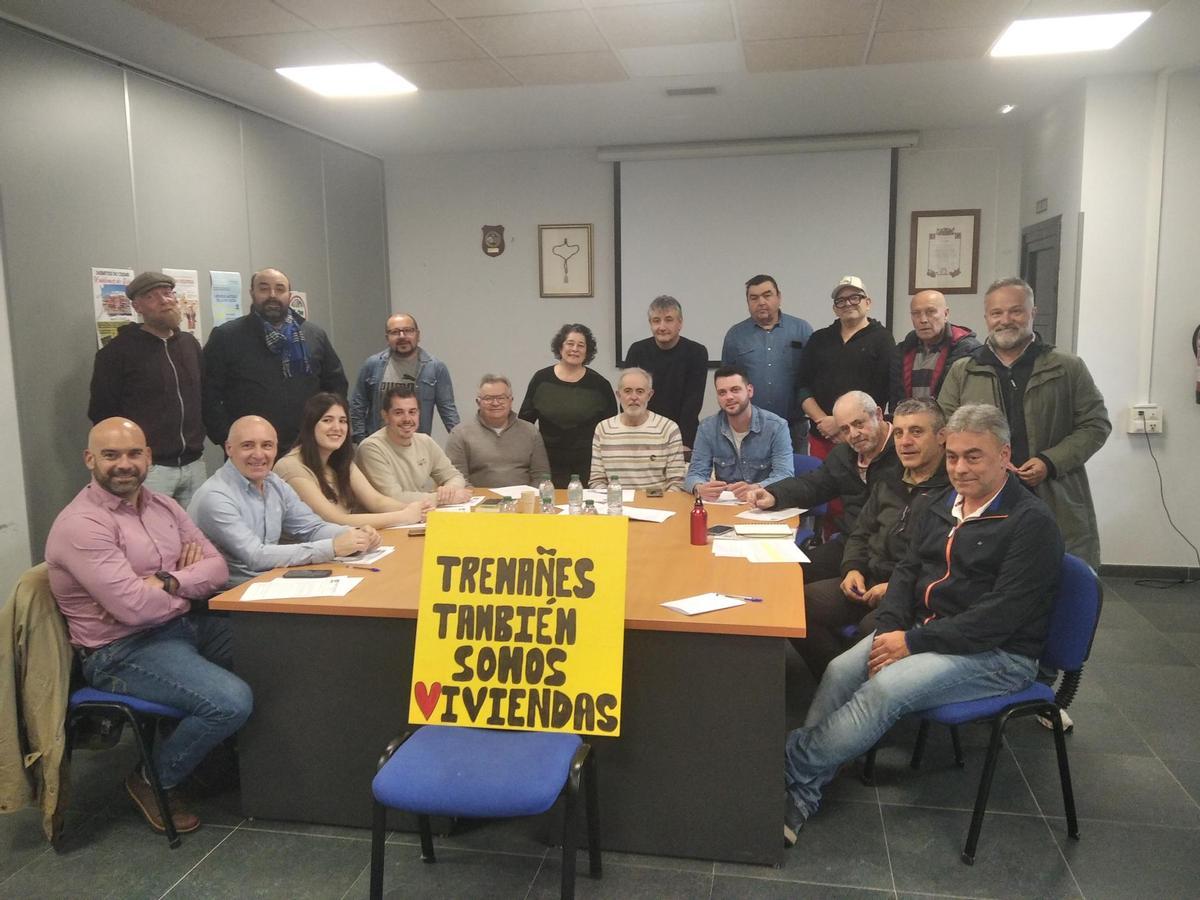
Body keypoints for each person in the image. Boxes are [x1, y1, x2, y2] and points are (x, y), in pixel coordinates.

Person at [783, 403, 1064, 846]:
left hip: (997, 654)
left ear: (1005, 455)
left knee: (885, 688)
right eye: (953, 456)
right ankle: (804, 789)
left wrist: (910, 641)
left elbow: (999, 618)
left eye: (975, 456)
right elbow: (907, 574)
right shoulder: (940, 504)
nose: (959, 468)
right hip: (930, 631)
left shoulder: (1032, 524)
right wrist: (892, 629)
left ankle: (789, 769)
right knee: (841, 670)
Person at [45, 418, 251, 834]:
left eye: (134, 453)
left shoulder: (163, 506)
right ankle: (154, 778)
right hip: (122, 651)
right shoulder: (81, 525)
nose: (124, 463)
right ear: (89, 460)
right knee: (231, 700)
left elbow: (216, 568)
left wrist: (169, 580)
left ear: (148, 458)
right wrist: (179, 586)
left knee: (273, 649)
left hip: (179, 626)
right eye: (111, 455)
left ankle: (232, 762)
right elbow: (134, 610)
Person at [938, 277, 1111, 568]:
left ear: (1033, 313)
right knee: (988, 577)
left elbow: (1096, 424)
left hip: (1055, 495)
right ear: (986, 318)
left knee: (1058, 580)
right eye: (997, 313)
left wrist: (1049, 461)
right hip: (986, 497)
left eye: (1015, 311)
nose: (1005, 320)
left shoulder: (1067, 367)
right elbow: (945, 429)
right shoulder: (962, 371)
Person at [795, 398, 949, 679]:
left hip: (910, 594)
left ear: (942, 436)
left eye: (916, 432)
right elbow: (860, 531)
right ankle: (833, 680)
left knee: (870, 631)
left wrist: (895, 587)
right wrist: (852, 568)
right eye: (900, 433)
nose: (905, 441)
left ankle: (856, 690)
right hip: (869, 578)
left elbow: (944, 564)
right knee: (797, 604)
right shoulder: (890, 479)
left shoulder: (953, 492)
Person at [189, 415, 378, 586]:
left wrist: (355, 535)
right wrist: (333, 547)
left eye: (267, 445)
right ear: (229, 449)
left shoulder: (274, 483)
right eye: (247, 445)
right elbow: (256, 556)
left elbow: (311, 528)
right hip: (228, 599)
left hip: (269, 584)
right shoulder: (215, 497)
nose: (258, 454)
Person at [744, 391, 900, 583]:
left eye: (859, 424)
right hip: (851, 544)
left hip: (891, 554)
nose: (854, 434)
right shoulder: (843, 454)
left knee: (811, 597)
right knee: (788, 576)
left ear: (878, 414)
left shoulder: (905, 451)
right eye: (844, 429)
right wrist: (774, 494)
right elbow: (814, 485)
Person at [88, 271, 206, 506]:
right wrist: (129, 459)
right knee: (150, 538)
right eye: (152, 296)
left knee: (194, 538)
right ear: (137, 306)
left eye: (167, 293)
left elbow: (205, 396)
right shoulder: (116, 353)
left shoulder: (189, 345)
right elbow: (103, 414)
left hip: (194, 465)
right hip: (150, 470)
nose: (164, 301)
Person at [201, 267, 347, 454]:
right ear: (251, 293)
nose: (272, 295)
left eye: (279, 289)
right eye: (263, 289)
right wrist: (226, 438)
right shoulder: (227, 336)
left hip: (306, 447)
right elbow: (208, 395)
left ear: (289, 295)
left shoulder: (314, 336)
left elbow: (336, 387)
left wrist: (327, 431)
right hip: (251, 452)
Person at [274, 392, 430, 528]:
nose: (337, 427)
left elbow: (376, 501)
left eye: (342, 421)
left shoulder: (340, 461)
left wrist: (418, 509)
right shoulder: (291, 467)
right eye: (327, 420)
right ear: (310, 425)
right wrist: (404, 516)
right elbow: (335, 520)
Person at [797, 276, 895, 458]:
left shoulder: (883, 340)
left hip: (864, 438)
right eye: (840, 301)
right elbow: (802, 387)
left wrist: (843, 425)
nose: (848, 303)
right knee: (822, 485)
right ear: (835, 309)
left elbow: (885, 391)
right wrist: (824, 422)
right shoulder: (819, 339)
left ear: (868, 303)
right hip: (822, 436)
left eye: (855, 297)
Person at [519, 324, 616, 488]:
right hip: (548, 463)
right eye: (570, 343)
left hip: (588, 464)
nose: (575, 349)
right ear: (560, 347)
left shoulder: (600, 384)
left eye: (581, 345)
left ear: (587, 351)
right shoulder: (541, 379)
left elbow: (612, 427)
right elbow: (525, 422)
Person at [721, 275, 812, 450]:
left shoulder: (801, 330)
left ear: (779, 297)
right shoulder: (735, 336)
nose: (761, 302)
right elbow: (726, 383)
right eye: (753, 298)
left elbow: (813, 375)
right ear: (747, 302)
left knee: (795, 476)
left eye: (767, 295)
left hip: (793, 425)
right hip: (750, 429)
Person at [684, 365, 793, 501]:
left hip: (764, 504)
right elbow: (694, 474)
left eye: (735, 390)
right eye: (722, 393)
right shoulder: (707, 428)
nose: (729, 397)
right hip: (726, 506)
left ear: (750, 391)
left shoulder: (776, 426)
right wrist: (699, 488)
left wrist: (756, 488)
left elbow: (785, 474)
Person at [349, 313, 458, 443]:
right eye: (395, 332)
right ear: (387, 338)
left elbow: (448, 412)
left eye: (408, 331)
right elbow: (357, 406)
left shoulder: (435, 368)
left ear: (418, 335)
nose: (402, 336)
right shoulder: (372, 365)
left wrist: (460, 443)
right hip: (379, 445)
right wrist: (361, 440)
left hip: (415, 446)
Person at [356, 385, 471, 505]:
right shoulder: (371, 448)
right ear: (385, 416)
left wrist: (449, 490)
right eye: (399, 412)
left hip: (417, 515)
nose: (407, 419)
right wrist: (441, 498)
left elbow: (454, 476)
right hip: (382, 521)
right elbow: (393, 497)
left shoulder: (425, 441)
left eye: (412, 412)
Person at [623, 295, 709, 448]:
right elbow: (628, 396)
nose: (662, 327)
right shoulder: (637, 351)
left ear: (680, 323)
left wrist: (683, 441)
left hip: (683, 435)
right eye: (656, 321)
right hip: (641, 434)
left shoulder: (697, 352)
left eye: (669, 320)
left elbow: (692, 403)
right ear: (650, 323)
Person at [444, 375, 551, 489]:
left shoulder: (530, 431)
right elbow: (457, 479)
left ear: (511, 401)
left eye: (501, 398)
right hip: (480, 503)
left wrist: (529, 500)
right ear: (478, 402)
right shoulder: (460, 434)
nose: (495, 403)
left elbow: (541, 476)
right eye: (488, 398)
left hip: (524, 501)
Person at [589, 368, 686, 493]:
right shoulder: (603, 429)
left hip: (657, 505)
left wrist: (649, 502)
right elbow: (597, 480)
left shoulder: (668, 428)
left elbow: (676, 482)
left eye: (640, 391)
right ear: (618, 395)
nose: (633, 397)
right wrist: (614, 501)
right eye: (627, 391)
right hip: (615, 505)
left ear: (649, 395)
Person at [889, 290, 981, 408]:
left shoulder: (968, 350)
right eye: (916, 313)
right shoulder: (901, 352)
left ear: (946, 314)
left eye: (930, 312)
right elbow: (895, 402)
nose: (923, 320)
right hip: (910, 424)